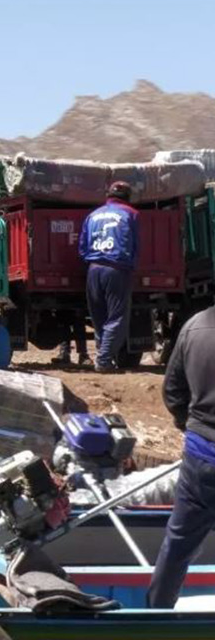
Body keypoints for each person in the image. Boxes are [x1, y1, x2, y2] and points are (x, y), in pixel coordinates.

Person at [149, 305, 215, 608]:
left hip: (201, 455)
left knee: (178, 542)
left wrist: (189, 425)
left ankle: (156, 614)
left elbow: (173, 391)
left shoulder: (196, 325)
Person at [80, 181, 140, 373]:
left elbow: (82, 246)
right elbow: (135, 245)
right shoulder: (131, 214)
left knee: (98, 317)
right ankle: (104, 359)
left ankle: (103, 356)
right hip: (117, 268)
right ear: (128, 197)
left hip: (94, 268)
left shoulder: (93, 215)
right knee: (116, 317)